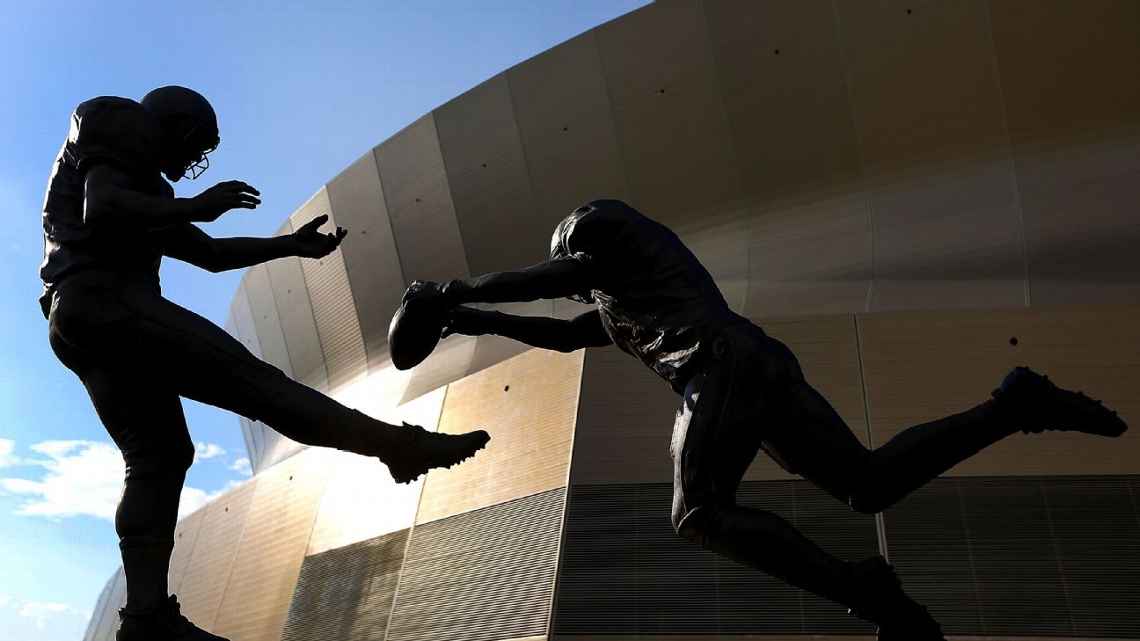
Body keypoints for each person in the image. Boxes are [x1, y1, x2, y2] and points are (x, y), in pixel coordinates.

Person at [404, 198, 1127, 641]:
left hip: (721, 364)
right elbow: (562, 333)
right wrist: (465, 316)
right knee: (868, 482)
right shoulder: (622, 309)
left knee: (699, 511)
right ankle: (1013, 406)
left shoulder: (621, 256)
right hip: (754, 364)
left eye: (578, 257)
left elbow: (555, 282)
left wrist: (450, 290)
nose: (574, 266)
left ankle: (868, 591)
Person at [41, 86, 490, 641]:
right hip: (103, 300)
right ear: (170, 126)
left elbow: (207, 254)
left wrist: (289, 248)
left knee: (160, 456)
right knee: (254, 384)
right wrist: (196, 205)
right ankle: (397, 446)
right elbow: (103, 207)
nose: (194, 161)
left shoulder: (147, 188)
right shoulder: (117, 124)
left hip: (80, 319)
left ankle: (146, 619)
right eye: (195, 144)